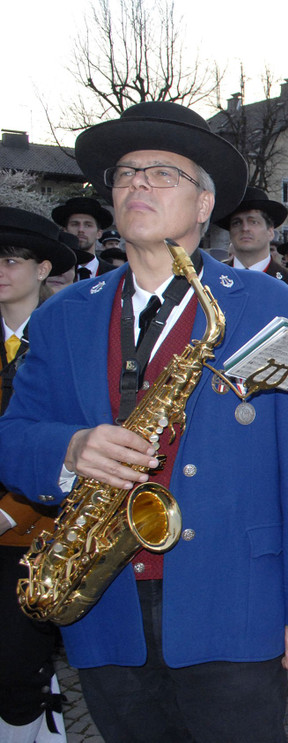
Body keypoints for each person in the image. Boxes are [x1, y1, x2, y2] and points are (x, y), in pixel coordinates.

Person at [0, 101, 288, 743]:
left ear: (205, 204)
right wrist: (70, 447)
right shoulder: (62, 315)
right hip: (104, 610)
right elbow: (12, 440)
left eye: (162, 173)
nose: (137, 184)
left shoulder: (277, 307)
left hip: (236, 604)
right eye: (127, 173)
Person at [0, 207, 77, 743]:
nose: (1, 270)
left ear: (42, 267)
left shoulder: (68, 337)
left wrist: (9, 511)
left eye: (12, 259)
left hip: (36, 529)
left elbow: (69, 438)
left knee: (16, 665)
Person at [217, 186, 288, 283]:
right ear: (230, 233)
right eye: (237, 223)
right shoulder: (212, 279)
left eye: (253, 222)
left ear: (270, 232)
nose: (245, 228)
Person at [50, 196, 116, 278]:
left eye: (88, 225)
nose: (81, 230)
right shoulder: (52, 273)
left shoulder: (115, 275)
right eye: (75, 224)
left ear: (99, 233)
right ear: (65, 231)